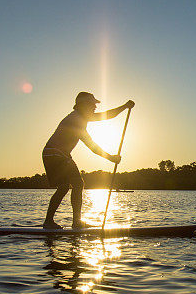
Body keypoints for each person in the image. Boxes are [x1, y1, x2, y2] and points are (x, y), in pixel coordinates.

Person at [42, 91, 135, 229]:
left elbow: (108, 115)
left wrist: (125, 107)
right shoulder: (76, 120)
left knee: (63, 187)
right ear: (83, 105)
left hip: (52, 154)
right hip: (56, 154)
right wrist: (111, 158)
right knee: (78, 184)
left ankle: (49, 222)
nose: (95, 107)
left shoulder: (80, 117)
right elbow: (92, 146)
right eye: (92, 104)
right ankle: (75, 223)